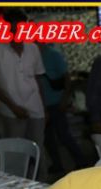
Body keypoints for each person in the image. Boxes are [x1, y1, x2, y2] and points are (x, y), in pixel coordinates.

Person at [0, 9, 47, 179]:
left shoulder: (32, 48)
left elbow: (38, 79)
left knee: (38, 151)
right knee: (15, 153)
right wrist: (13, 107)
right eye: (13, 28)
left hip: (35, 107)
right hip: (11, 110)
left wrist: (44, 108)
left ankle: (41, 187)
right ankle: (14, 187)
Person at [37, 43, 88, 174]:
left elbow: (66, 78)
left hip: (56, 102)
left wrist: (64, 99)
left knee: (64, 135)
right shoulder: (34, 55)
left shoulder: (53, 55)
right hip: (43, 104)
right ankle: (57, 165)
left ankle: (82, 162)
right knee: (48, 138)